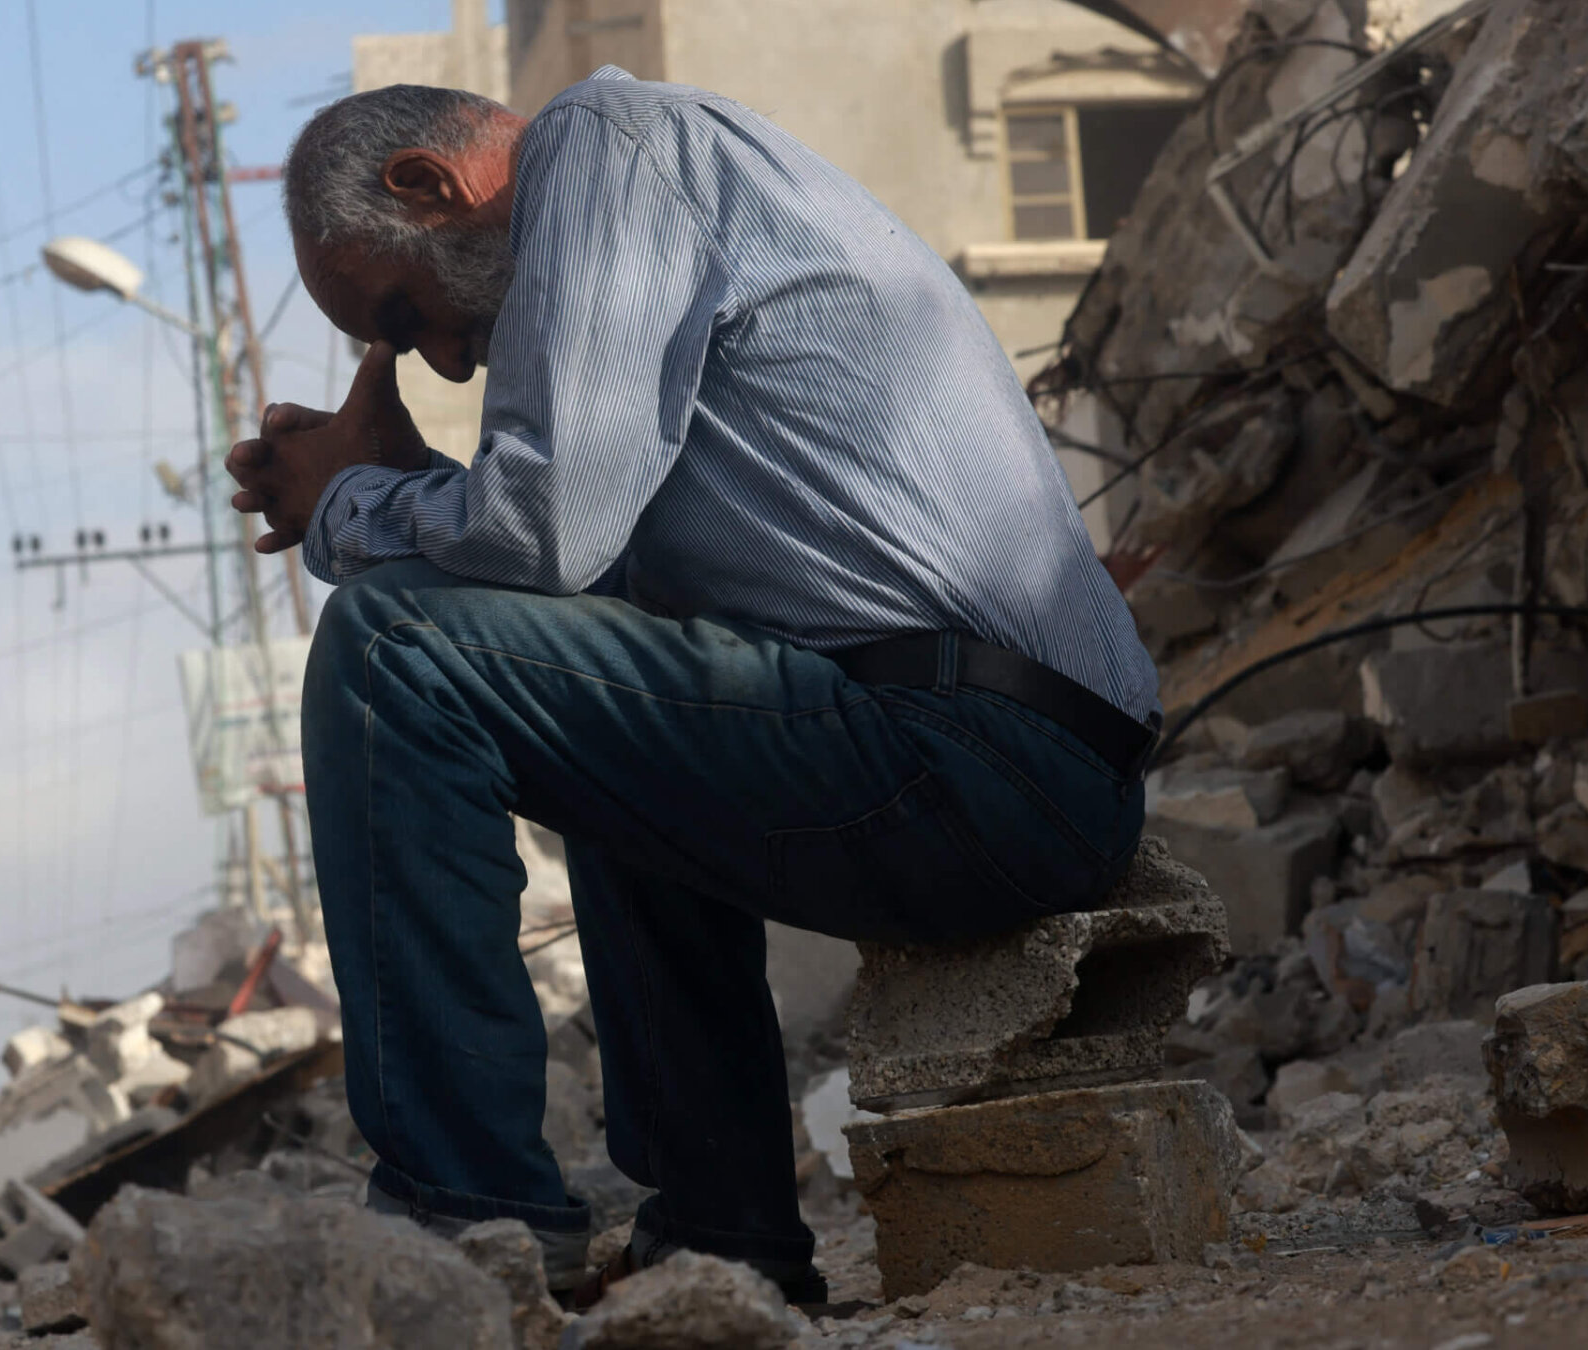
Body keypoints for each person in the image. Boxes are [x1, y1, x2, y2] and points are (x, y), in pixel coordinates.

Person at [228, 69, 1162, 1304]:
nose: (445, 363)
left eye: (408, 318)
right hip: (998, 764)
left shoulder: (604, 145)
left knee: (392, 644)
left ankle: (461, 1221)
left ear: (427, 184)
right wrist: (409, 485)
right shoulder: (652, 219)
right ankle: (723, 1249)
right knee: (600, 690)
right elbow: (564, 596)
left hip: (981, 753)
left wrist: (349, 508)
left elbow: (547, 527)